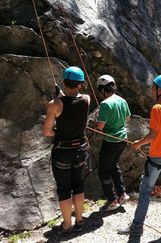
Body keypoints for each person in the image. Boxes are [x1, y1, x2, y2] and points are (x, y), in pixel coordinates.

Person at [118, 75, 161, 239]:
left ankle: (137, 228)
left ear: (160, 90)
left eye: (153, 87)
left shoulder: (157, 108)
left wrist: (138, 143)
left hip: (158, 155)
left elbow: (153, 135)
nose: (152, 90)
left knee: (145, 190)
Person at [42, 66, 90, 233]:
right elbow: (73, 101)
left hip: (62, 152)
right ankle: (80, 220)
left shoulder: (54, 105)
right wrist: (61, 96)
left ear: (64, 82)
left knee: (64, 188)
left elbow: (48, 131)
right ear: (81, 84)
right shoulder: (86, 99)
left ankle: (67, 225)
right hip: (80, 151)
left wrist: (58, 98)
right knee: (78, 184)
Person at [95, 75, 132, 211]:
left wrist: (98, 119)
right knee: (113, 166)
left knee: (103, 170)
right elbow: (127, 118)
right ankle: (122, 194)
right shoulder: (122, 100)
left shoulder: (105, 104)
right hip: (122, 140)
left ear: (102, 89)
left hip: (110, 141)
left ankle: (112, 200)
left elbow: (100, 126)